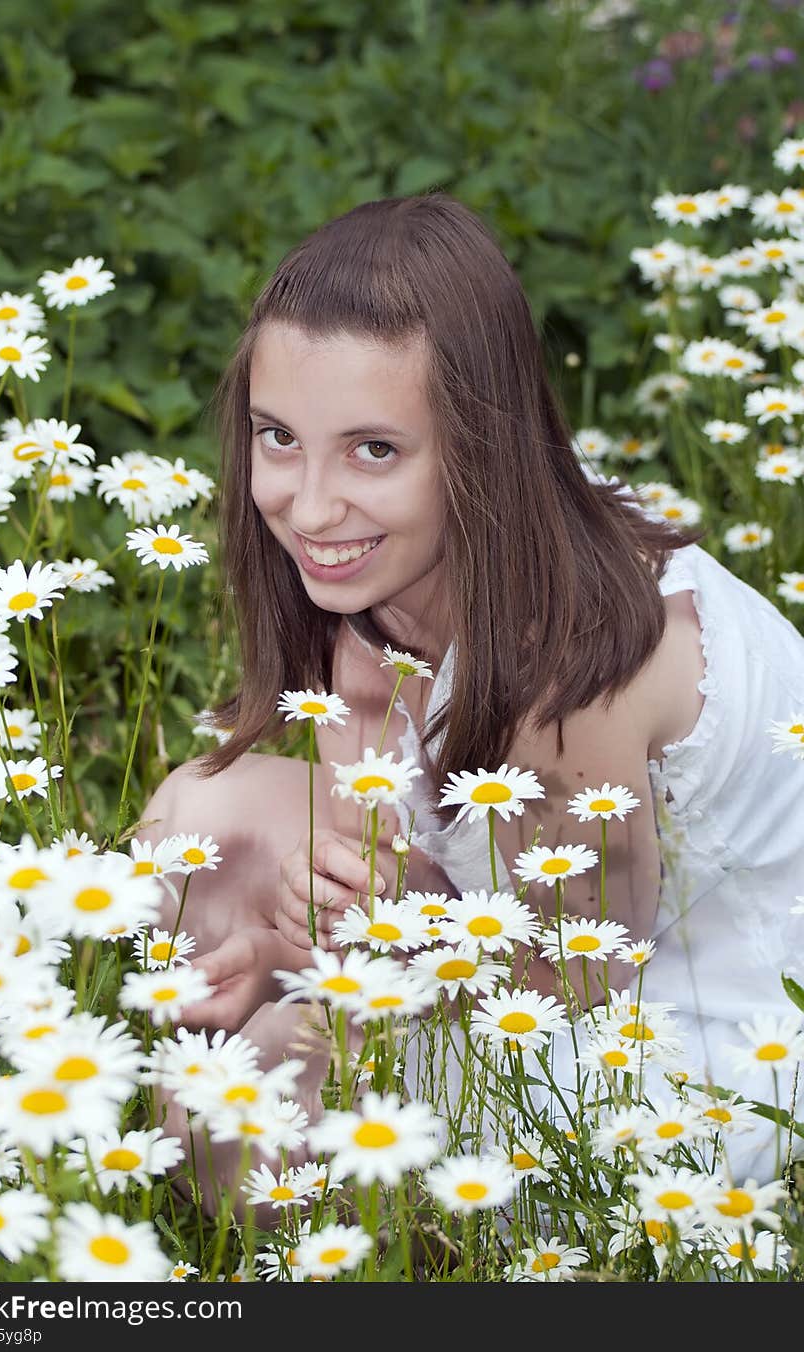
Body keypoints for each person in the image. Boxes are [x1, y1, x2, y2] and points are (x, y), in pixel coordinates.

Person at [135, 193, 804, 1203]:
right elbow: (409, 848)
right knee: (199, 827)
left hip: (691, 1044)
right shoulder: (394, 573)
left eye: (374, 450)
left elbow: (580, 976)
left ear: (478, 445)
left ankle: (380, 1236)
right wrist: (291, 938)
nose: (307, 505)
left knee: (227, 1107)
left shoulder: (561, 670)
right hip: (537, 926)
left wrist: (396, 939)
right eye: (278, 435)